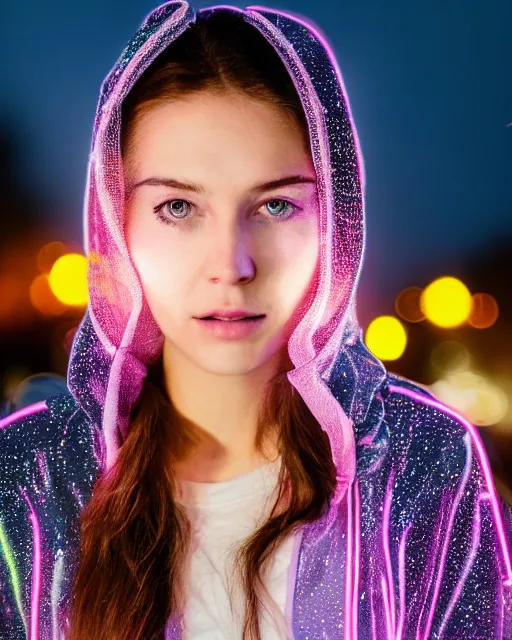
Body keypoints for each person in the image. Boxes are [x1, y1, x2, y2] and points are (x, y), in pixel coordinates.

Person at [0, 3, 511, 639]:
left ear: (334, 223)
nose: (232, 264)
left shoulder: (424, 465)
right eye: (178, 206)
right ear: (116, 222)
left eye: (274, 204)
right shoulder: (27, 479)